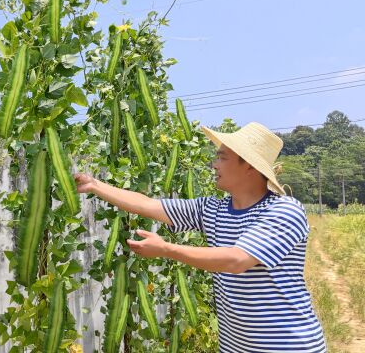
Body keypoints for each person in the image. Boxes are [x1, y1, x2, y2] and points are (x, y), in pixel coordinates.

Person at [74, 122, 327, 352]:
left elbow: (236, 260)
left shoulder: (284, 210)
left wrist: (167, 249)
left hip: (289, 345)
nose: (214, 164)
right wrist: (95, 185)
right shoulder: (212, 209)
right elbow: (149, 205)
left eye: (222, 157)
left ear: (249, 166)